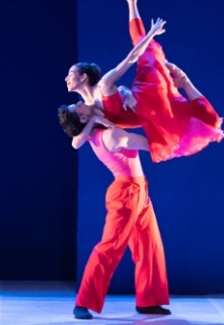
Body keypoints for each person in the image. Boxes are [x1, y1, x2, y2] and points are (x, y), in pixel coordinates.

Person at [65, 0, 224, 163]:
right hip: (151, 113)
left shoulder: (103, 87)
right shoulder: (85, 109)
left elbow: (131, 58)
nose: (66, 78)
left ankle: (132, 1)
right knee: (205, 122)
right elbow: (75, 143)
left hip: (148, 97)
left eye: (70, 74)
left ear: (84, 77)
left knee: (144, 50)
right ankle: (184, 81)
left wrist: (151, 34)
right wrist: (97, 118)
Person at [58, 103, 171, 320]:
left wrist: (94, 118)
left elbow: (78, 136)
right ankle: (83, 302)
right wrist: (172, 129)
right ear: (83, 119)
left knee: (150, 246)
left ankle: (149, 301)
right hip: (126, 193)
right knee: (110, 247)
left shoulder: (95, 130)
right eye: (79, 106)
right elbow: (153, 145)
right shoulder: (110, 134)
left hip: (138, 190)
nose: (83, 102)